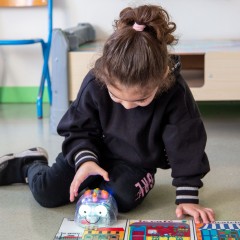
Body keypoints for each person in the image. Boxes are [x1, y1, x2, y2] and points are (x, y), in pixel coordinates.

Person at [0, 4, 215, 223]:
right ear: (105, 76)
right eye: (116, 96)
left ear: (163, 76)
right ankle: (29, 165)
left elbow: (186, 143)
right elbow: (78, 128)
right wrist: (85, 162)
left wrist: (188, 197)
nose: (128, 106)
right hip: (91, 150)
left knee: (121, 198)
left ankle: (95, 183)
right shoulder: (96, 82)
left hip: (136, 164)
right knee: (47, 192)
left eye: (141, 99)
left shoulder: (174, 91)